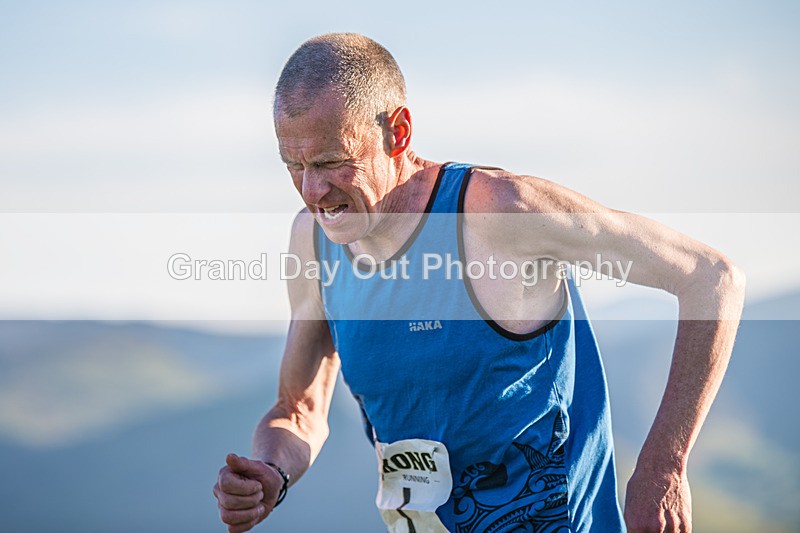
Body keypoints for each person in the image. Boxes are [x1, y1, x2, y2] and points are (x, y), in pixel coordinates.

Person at [213, 33, 745, 533]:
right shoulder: (312, 240)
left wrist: (664, 465)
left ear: (397, 133)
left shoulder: (499, 213)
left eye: (332, 162)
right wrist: (269, 471)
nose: (312, 190)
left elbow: (711, 278)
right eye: (294, 165)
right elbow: (299, 409)